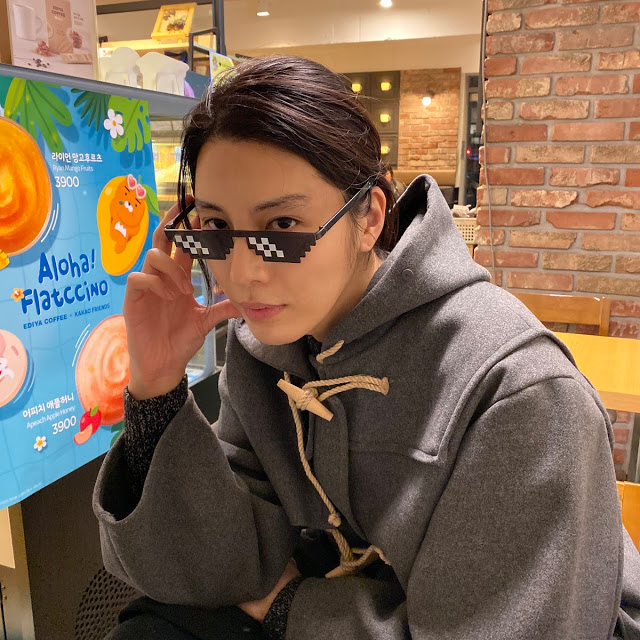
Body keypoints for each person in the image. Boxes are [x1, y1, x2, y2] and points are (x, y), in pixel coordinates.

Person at [93, 56, 640, 640]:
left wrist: (290, 608)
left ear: (370, 216)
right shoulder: (265, 354)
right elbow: (218, 569)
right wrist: (156, 387)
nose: (244, 272)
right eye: (217, 228)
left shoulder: (516, 393)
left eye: (282, 226)